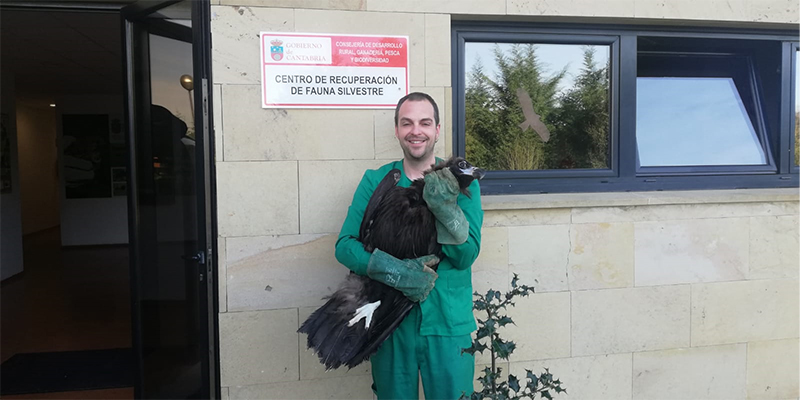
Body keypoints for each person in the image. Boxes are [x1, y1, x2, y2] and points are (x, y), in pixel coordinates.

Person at [334, 92, 483, 399]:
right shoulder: (376, 181)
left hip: (447, 322)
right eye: (407, 123)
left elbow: (466, 254)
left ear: (437, 129)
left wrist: (445, 208)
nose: (416, 130)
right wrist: (394, 271)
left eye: (425, 122)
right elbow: (345, 246)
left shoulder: (463, 182)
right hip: (390, 323)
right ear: (397, 130)